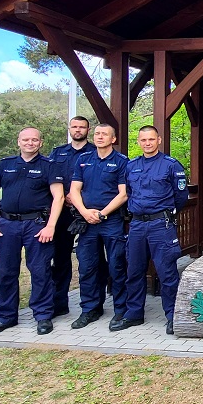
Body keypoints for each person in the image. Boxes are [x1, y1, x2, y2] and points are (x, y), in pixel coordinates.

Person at [0, 128, 65, 336]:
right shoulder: (5, 165)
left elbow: (59, 197)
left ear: (40, 142)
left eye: (34, 140)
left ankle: (43, 315)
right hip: (7, 225)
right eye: (26, 140)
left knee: (40, 271)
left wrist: (51, 226)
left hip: (36, 224)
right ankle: (6, 317)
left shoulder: (49, 166)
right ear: (18, 142)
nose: (30, 143)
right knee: (6, 272)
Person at [124, 125, 189, 334]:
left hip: (161, 225)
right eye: (143, 140)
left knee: (167, 272)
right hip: (136, 225)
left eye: (151, 139)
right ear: (138, 142)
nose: (147, 143)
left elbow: (181, 197)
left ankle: (172, 316)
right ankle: (134, 314)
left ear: (159, 140)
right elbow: (127, 192)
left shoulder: (170, 165)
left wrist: (165, 214)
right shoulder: (131, 165)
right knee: (134, 271)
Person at [68, 124, 128, 329]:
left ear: (113, 139)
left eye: (104, 134)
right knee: (87, 266)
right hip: (87, 221)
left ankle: (121, 310)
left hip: (111, 221)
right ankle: (90, 309)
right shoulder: (83, 160)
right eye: (97, 134)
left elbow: (123, 193)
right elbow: (74, 190)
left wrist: (102, 214)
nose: (100, 137)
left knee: (117, 265)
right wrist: (85, 212)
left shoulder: (121, 162)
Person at [48, 116, 96, 316]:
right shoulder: (57, 153)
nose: (78, 130)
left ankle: (93, 304)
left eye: (82, 127)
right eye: (74, 126)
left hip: (87, 212)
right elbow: (49, 178)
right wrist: (64, 197)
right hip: (63, 212)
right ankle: (60, 303)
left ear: (88, 129)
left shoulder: (95, 152)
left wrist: (78, 199)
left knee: (91, 259)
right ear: (69, 128)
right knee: (60, 258)